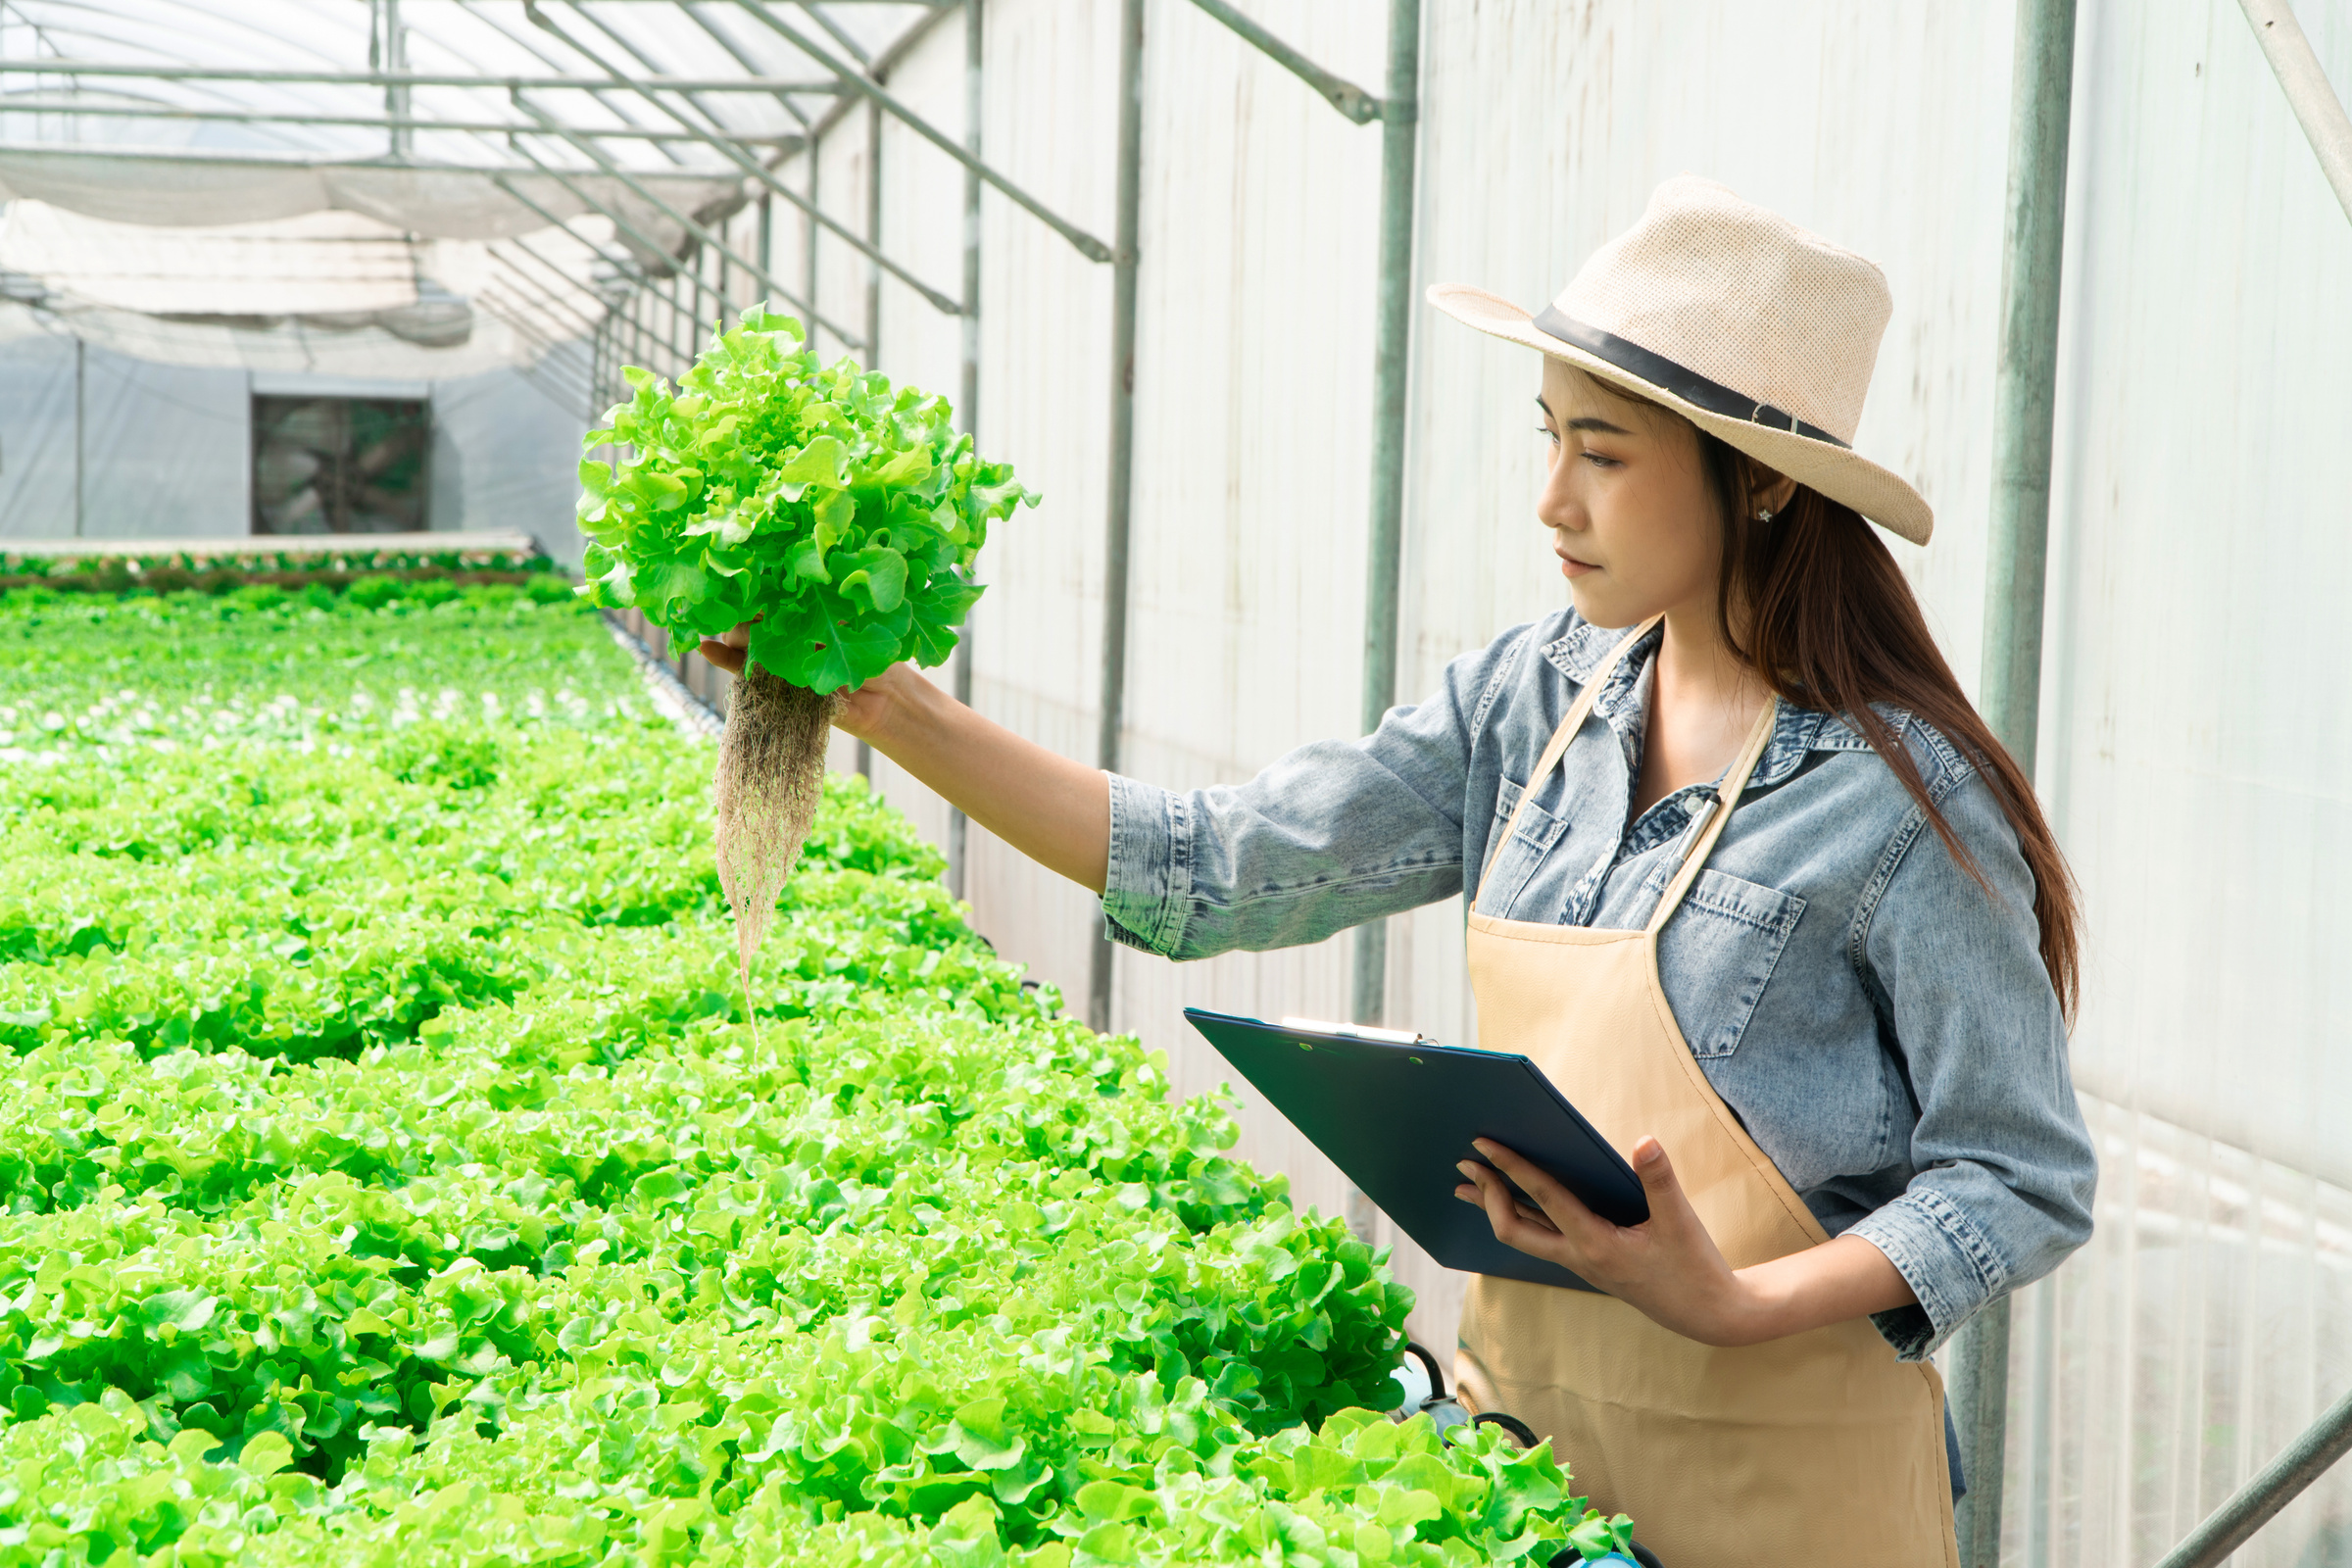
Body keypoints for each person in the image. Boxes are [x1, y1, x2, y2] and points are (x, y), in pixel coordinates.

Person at [699, 176, 2097, 1568]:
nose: (1554, 498)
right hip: (1530, 1466)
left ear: (1767, 477)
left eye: (1604, 455)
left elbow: (2016, 1174)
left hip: (1793, 1495)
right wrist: (889, 708)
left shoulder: (1902, 805)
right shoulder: (1527, 704)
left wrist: (1728, 1300)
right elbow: (1221, 868)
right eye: (1550, 439)